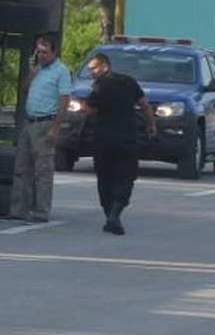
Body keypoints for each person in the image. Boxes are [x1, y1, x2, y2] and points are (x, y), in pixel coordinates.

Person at [81, 51, 156, 235]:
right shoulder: (129, 81)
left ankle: (111, 216)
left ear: (105, 67)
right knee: (125, 178)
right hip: (127, 139)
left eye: (94, 69)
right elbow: (145, 105)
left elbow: (89, 110)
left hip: (104, 139)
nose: (91, 73)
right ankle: (115, 214)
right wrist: (151, 125)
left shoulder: (100, 86)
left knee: (105, 178)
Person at [11, 35, 72, 222]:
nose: (41, 56)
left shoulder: (61, 71)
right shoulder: (37, 70)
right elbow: (24, 90)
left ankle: (41, 210)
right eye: (38, 52)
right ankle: (19, 209)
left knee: (43, 170)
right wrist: (31, 73)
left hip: (46, 122)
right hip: (30, 121)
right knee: (22, 168)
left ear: (54, 52)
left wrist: (55, 128)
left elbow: (64, 101)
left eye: (45, 52)